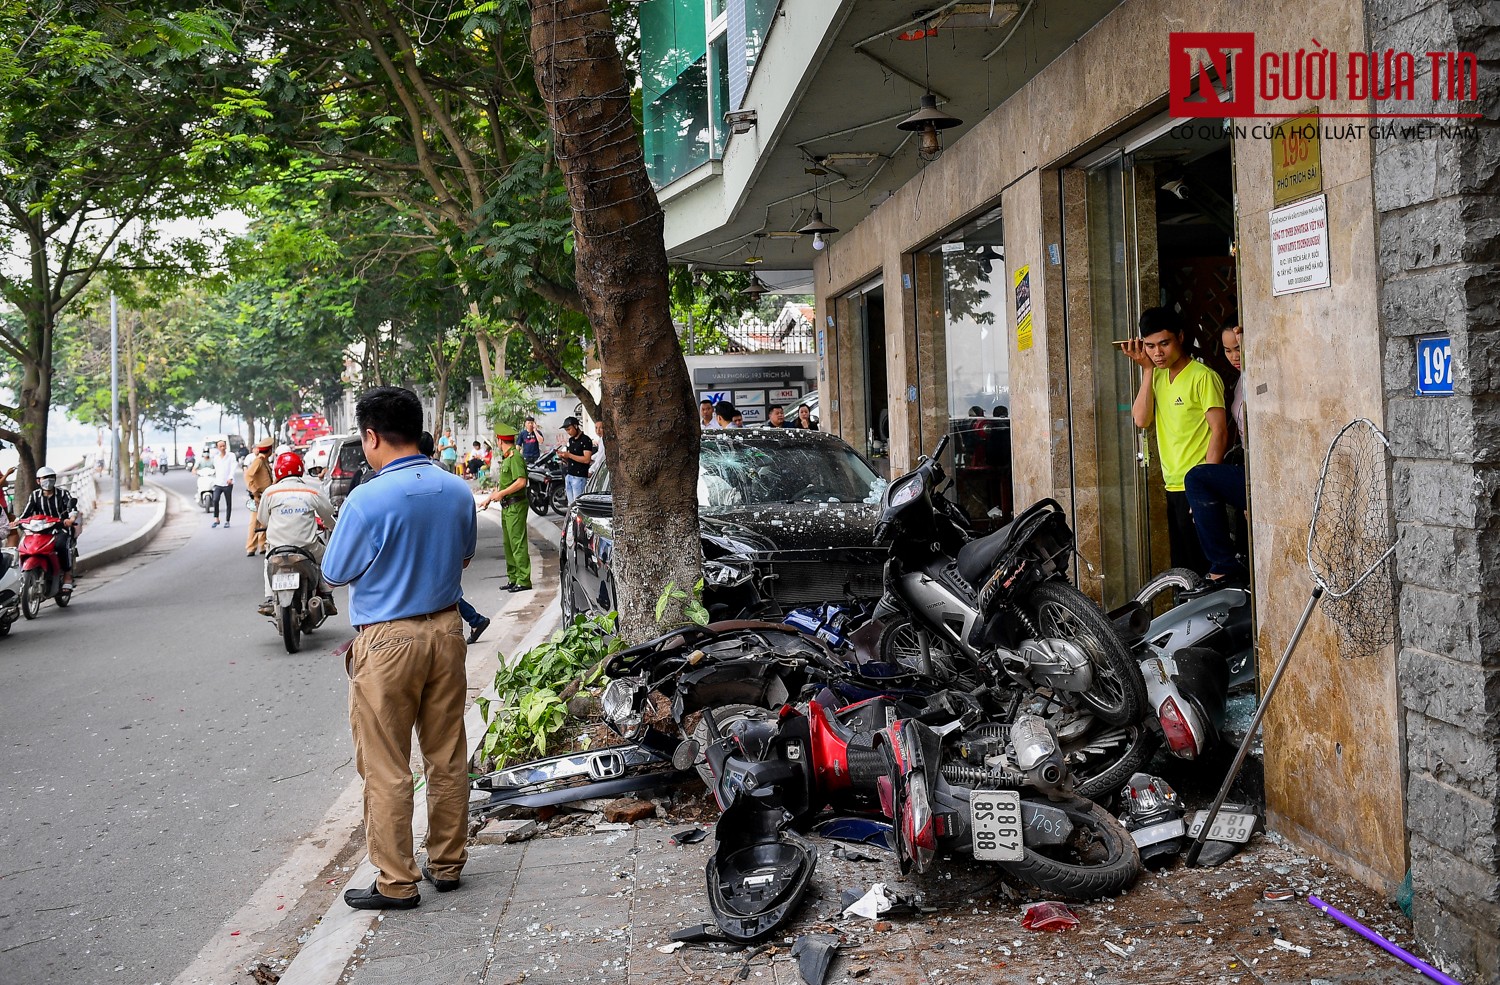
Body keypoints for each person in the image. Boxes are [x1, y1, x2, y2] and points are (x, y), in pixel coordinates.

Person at [322, 387, 477, 910]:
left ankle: (396, 881)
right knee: (448, 753)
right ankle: (448, 864)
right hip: (447, 631)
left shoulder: (367, 499)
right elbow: (464, 558)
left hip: (388, 640)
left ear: (371, 436)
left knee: (387, 765)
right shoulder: (456, 490)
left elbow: (334, 571)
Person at [1120, 306, 1228, 575]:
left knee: (1210, 569)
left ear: (1180, 337)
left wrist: (1207, 485)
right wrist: (1146, 371)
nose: (1158, 353)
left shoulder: (1203, 377)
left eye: (1164, 344)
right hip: (1173, 487)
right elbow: (1141, 420)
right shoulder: (1155, 375)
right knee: (1185, 570)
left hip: (1199, 486)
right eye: (1150, 346)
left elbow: (1220, 432)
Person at [1184, 325, 1250, 587]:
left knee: (1198, 478)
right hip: (1248, 469)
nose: (1234, 356)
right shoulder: (1240, 382)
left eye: (1239, 348)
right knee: (1199, 482)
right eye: (1227, 350)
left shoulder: (1259, 375)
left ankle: (1224, 565)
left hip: (1267, 474)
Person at [419, 431, 490, 643]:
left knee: (436, 587)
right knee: (441, 586)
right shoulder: (442, 470)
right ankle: (474, 619)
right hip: (447, 538)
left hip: (429, 538)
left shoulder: (420, 473)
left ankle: (473, 620)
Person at [255, 451, 337, 616]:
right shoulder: (311, 492)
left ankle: (270, 598)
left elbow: (263, 520)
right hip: (306, 548)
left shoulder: (270, 493)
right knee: (326, 558)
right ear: (300, 469)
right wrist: (333, 528)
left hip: (276, 550)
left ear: (277, 471)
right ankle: (326, 594)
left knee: (267, 563)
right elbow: (328, 515)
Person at [481, 424, 532, 592]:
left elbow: (521, 481)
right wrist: (489, 498)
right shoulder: (507, 457)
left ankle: (523, 579)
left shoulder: (515, 457)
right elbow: (503, 484)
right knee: (508, 544)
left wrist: (502, 494)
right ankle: (513, 577)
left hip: (516, 504)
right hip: (507, 506)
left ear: (500, 440)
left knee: (517, 542)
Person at [20, 467, 80, 590]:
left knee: (62, 544)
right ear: (38, 481)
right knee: (25, 545)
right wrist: (17, 521)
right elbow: (25, 514)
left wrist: (71, 519)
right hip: (41, 530)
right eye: (44, 478)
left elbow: (72, 509)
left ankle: (67, 575)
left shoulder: (63, 493)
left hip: (60, 528)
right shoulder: (35, 496)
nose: (48, 480)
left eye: (51, 477)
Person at [243, 436, 275, 557]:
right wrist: (254, 492)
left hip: (264, 496)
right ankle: (251, 547)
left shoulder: (263, 460)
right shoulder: (258, 461)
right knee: (255, 522)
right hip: (258, 497)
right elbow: (248, 476)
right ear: (269, 450)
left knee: (263, 521)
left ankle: (262, 545)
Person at [557, 416, 595, 503]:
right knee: (571, 505)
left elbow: (586, 459)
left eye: (569, 429)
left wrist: (569, 455)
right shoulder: (571, 440)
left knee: (578, 504)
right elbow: (570, 459)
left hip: (579, 477)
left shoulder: (586, 440)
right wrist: (563, 457)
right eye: (566, 430)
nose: (568, 432)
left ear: (576, 426)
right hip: (570, 474)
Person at [209, 439, 236, 528]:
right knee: (215, 499)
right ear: (218, 448)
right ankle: (216, 518)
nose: (222, 448)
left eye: (224, 446)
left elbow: (233, 467)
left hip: (228, 483)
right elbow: (216, 469)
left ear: (226, 446)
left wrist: (230, 477)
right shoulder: (216, 458)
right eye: (220, 446)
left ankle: (227, 520)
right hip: (218, 482)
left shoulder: (231, 456)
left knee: (228, 502)